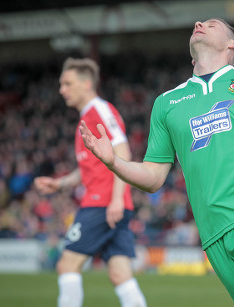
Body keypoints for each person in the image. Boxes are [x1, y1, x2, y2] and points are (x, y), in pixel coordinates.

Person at [79, 18, 234, 307]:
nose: (199, 23)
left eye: (212, 24)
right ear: (191, 55)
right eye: (199, 23)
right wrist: (114, 162)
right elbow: (154, 176)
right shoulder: (167, 103)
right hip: (212, 230)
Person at [34, 58, 147, 307]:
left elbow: (123, 152)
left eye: (67, 83)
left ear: (86, 84)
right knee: (120, 274)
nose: (62, 89)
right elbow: (88, 168)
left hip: (102, 203)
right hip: (112, 204)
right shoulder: (88, 117)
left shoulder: (100, 110)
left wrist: (116, 198)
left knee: (67, 265)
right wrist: (61, 183)